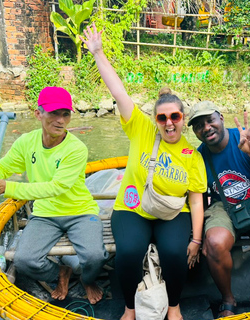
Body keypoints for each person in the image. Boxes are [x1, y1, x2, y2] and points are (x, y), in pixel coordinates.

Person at [81, 23, 207, 320]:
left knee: (175, 253)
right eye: (162, 117)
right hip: (133, 207)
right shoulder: (141, 128)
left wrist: (196, 240)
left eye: (175, 116)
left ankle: (173, 306)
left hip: (174, 212)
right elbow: (118, 90)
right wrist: (98, 52)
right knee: (128, 253)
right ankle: (129, 307)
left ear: (182, 116)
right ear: (155, 119)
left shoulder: (191, 154)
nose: (169, 123)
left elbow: (197, 199)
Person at [0, 87, 109, 304]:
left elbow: (56, 187)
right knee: (25, 261)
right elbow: (2, 169)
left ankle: (88, 280)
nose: (61, 120)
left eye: (66, 114)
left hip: (80, 212)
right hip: (45, 214)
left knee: (95, 257)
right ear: (38, 114)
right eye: (54, 113)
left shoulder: (76, 148)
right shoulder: (27, 142)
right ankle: (60, 274)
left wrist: (7, 187)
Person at [187, 101, 250, 317]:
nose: (206, 128)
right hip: (223, 207)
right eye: (198, 125)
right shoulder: (198, 157)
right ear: (195, 132)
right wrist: (202, 233)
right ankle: (228, 298)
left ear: (221, 118)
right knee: (215, 242)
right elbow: (198, 197)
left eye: (210, 120)